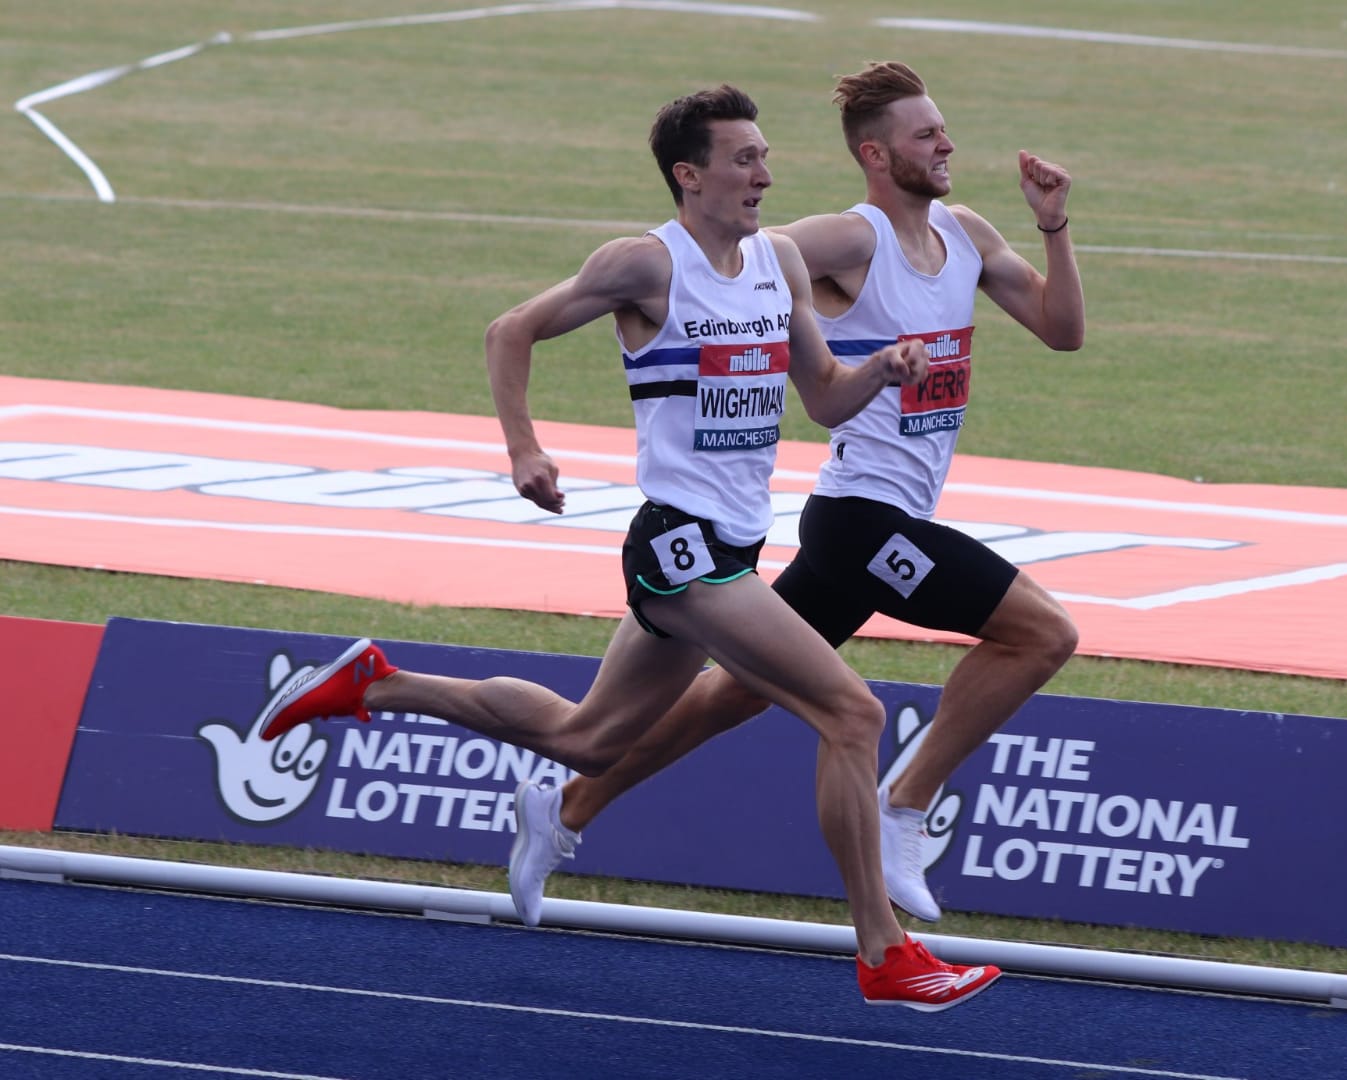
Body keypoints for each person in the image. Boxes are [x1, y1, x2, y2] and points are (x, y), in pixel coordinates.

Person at [259, 83, 1001, 1012]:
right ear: (690, 176)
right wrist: (524, 447)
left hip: (733, 543)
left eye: (766, 156)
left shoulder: (775, 263)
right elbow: (510, 329)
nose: (765, 174)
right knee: (852, 716)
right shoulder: (647, 266)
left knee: (588, 739)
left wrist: (882, 372)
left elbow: (824, 398)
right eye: (744, 159)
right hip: (679, 548)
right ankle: (883, 953)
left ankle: (374, 682)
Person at [515, 61, 1084, 929]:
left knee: (731, 694)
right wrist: (717, 298)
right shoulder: (851, 241)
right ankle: (905, 804)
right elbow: (743, 260)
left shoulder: (966, 234)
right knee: (1042, 632)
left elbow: (1062, 331)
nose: (947, 143)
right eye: (926, 134)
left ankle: (568, 807)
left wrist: (1054, 228)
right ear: (876, 154)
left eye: (943, 129)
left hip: (881, 518)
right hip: (862, 517)